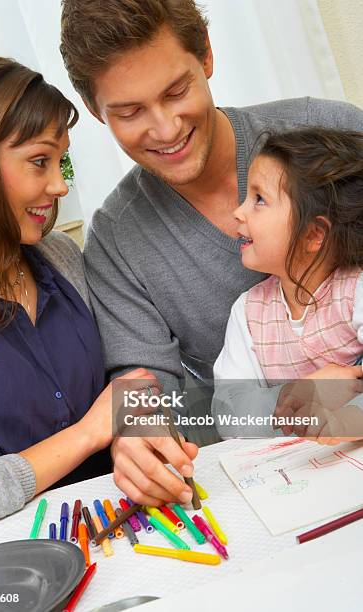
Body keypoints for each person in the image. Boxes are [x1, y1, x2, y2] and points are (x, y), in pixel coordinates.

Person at [60, 0, 363, 504]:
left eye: (176, 92)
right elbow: (142, 384)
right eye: (130, 112)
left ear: (206, 56)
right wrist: (137, 434)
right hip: (286, 484)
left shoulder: (330, 135)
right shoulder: (116, 237)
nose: (165, 129)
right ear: (95, 111)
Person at [0, 54, 176, 537]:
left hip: (126, 533)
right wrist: (86, 435)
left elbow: (130, 382)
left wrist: (136, 433)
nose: (59, 185)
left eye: (62, 162)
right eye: (39, 162)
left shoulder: (62, 258)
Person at [212, 127, 363, 443]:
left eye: (259, 200)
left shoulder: (356, 290)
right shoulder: (248, 314)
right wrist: (298, 394)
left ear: (313, 234)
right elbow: (229, 415)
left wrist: (347, 419)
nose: (238, 212)